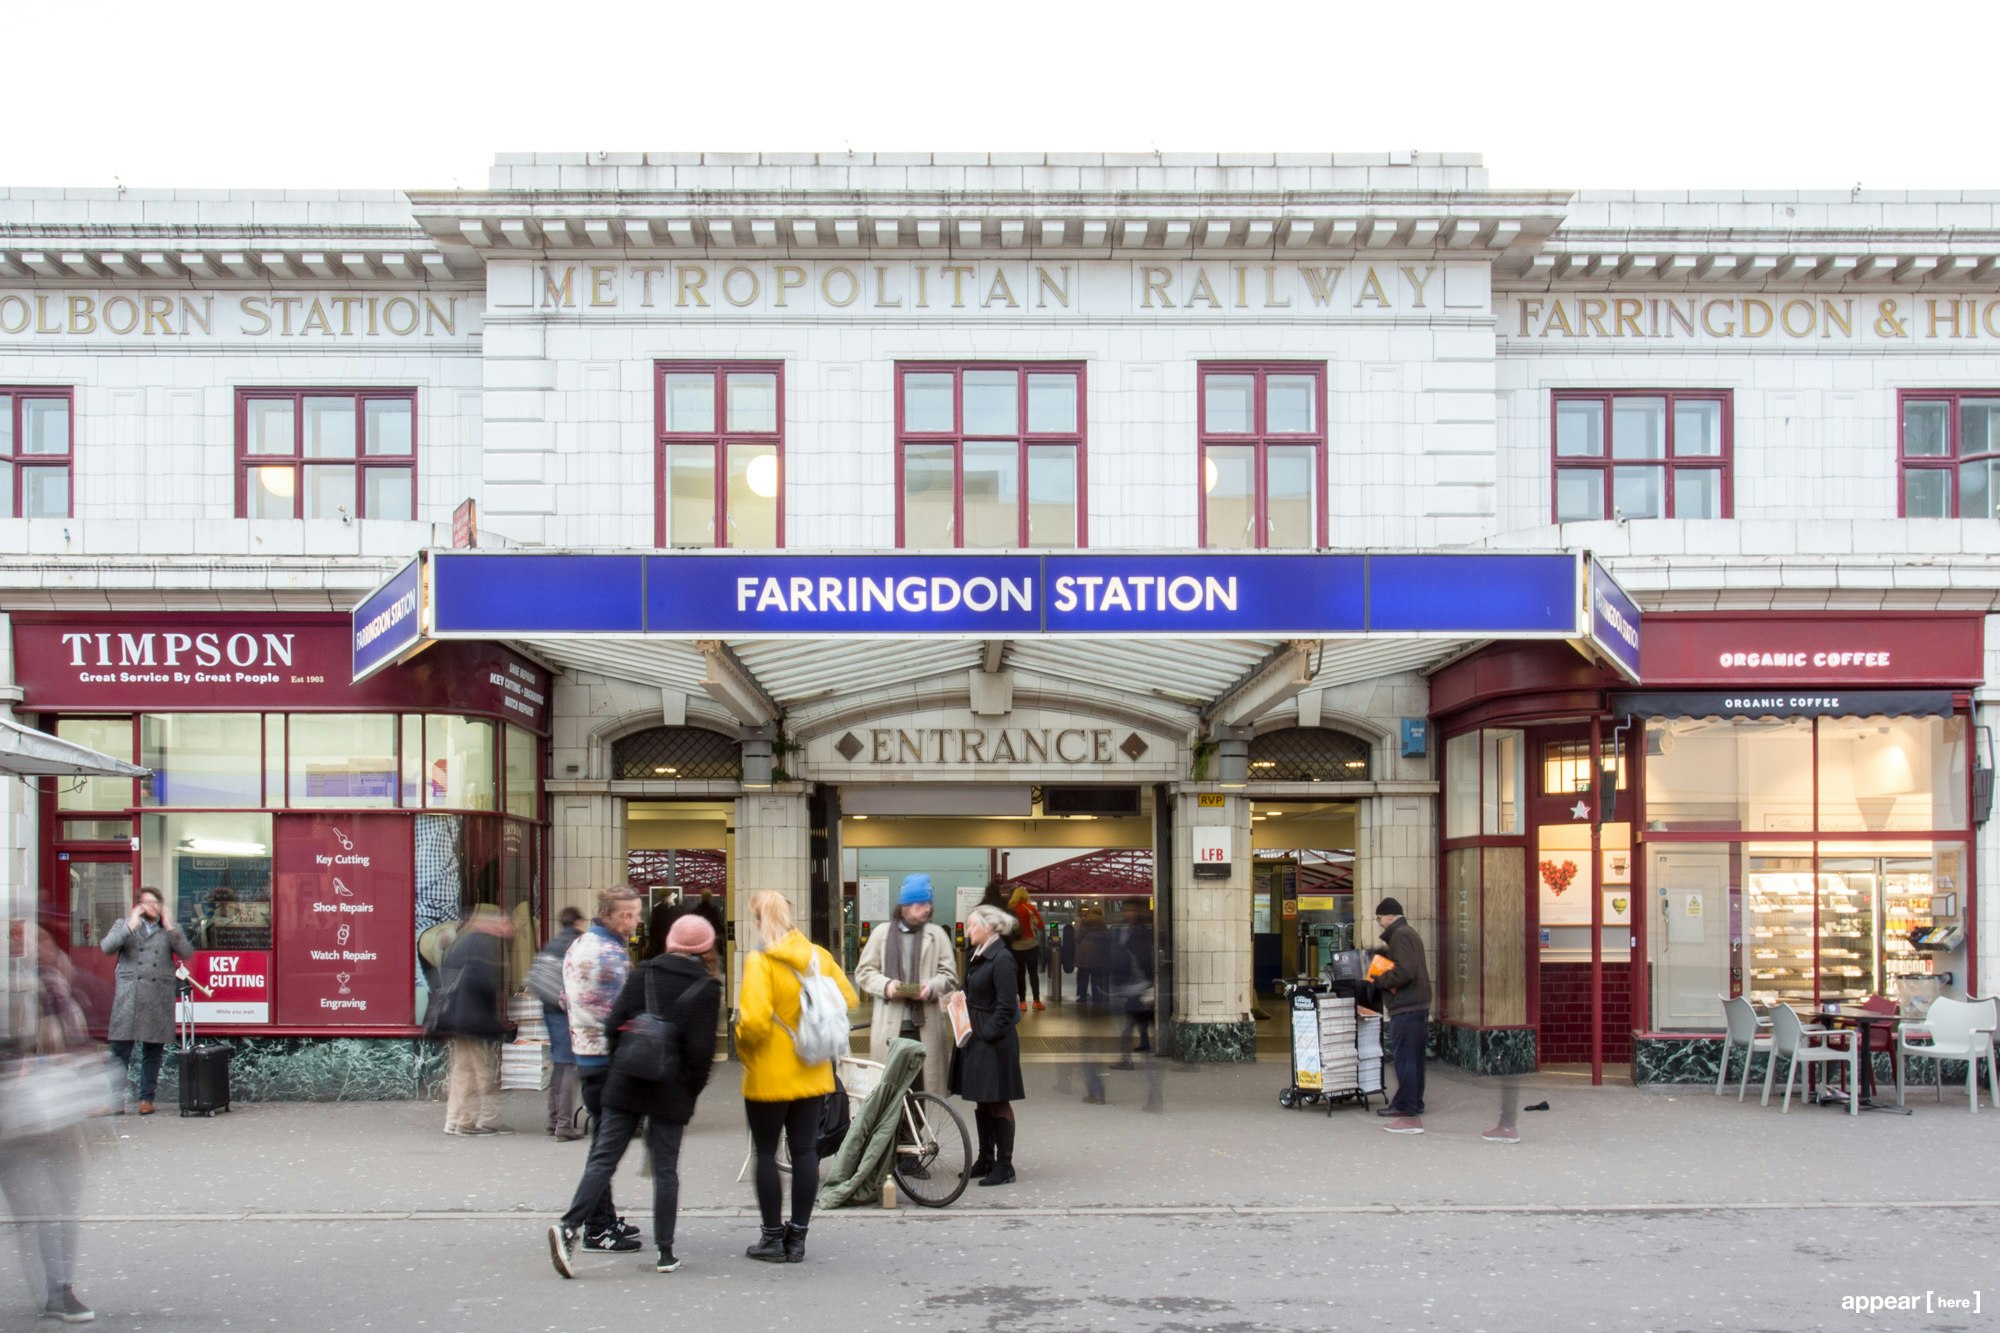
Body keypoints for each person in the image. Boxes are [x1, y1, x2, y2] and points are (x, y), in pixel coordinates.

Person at [549, 914, 722, 1278]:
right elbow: (701, 1053)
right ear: (707, 948)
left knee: (603, 1158)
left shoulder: (643, 972)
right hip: (672, 1089)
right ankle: (665, 1253)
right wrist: (689, 1092)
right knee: (665, 1170)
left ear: (671, 942)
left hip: (626, 1080)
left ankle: (568, 1228)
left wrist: (621, 1065)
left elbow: (613, 1025)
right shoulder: (706, 987)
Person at [734, 890, 857, 1264]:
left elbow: (754, 1022)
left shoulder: (761, 961)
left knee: (765, 1153)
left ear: (758, 922)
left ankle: (772, 1238)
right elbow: (848, 998)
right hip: (813, 1068)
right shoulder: (818, 956)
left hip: (769, 1074)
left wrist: (743, 1046)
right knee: (805, 1152)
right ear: (791, 919)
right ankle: (798, 1238)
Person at [0, 929, 94, 1323]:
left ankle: (61, 1287)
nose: (35, 948)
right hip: (17, 1119)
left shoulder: (59, 984)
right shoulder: (13, 991)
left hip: (61, 1111)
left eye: (39, 941)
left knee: (64, 1203)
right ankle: (56, 1290)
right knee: (37, 1209)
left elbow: (75, 1038)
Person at [562, 886, 643, 1253]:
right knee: (605, 1149)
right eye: (626, 915)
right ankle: (593, 1227)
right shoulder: (610, 954)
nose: (634, 921)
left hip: (586, 1054)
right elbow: (627, 1012)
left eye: (636, 913)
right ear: (606, 914)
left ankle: (605, 1219)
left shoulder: (580, 944)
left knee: (602, 1144)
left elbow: (565, 997)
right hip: (608, 1060)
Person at [853, 873, 958, 1095]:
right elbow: (864, 972)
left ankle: (916, 1119)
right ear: (905, 907)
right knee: (890, 1094)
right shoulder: (881, 933)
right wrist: (887, 986)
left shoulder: (937, 935)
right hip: (890, 1028)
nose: (927, 909)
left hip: (925, 1028)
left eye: (929, 903)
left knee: (921, 1092)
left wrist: (930, 987)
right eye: (921, 904)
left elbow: (950, 976)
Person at [98, 886, 193, 1115]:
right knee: (119, 1052)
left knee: (153, 1052)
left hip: (157, 996)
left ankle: (146, 1099)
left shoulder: (169, 930)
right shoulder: (124, 925)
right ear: (139, 905)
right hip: (129, 996)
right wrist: (130, 927)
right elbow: (106, 947)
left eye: (156, 903)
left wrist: (170, 927)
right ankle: (115, 1102)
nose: (153, 907)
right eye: (148, 902)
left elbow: (186, 952)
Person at [951, 903, 1026, 1186]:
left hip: (993, 1041)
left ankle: (1005, 1165)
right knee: (983, 1099)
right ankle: (986, 1158)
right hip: (978, 1036)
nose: (968, 930)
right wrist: (960, 997)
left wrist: (987, 1033)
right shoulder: (979, 954)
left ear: (989, 927)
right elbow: (974, 990)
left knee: (998, 1100)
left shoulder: (1002, 959)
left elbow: (1006, 1006)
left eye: (972, 925)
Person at [436, 903, 516, 1137]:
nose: (510, 929)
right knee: (482, 1072)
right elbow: (483, 983)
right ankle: (483, 1120)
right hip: (473, 1019)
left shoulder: (464, 941)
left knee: (462, 1070)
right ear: (496, 924)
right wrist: (495, 1013)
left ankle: (454, 1119)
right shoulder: (484, 944)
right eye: (507, 923)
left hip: (459, 1018)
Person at [1369, 897, 1433, 1134]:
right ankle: (1414, 1101)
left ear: (1390, 915)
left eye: (1379, 918)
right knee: (1414, 1057)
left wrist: (1380, 978)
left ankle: (1405, 1106)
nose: (1379, 923)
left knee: (1405, 1057)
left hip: (1406, 1005)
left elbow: (1405, 971)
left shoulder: (1400, 935)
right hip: (1416, 1004)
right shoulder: (1409, 933)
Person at [536, 906, 585, 1139]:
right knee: (568, 1064)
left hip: (548, 1007)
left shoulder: (551, 944)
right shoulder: (577, 944)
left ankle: (553, 1118)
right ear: (578, 922)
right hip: (566, 1008)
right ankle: (564, 1124)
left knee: (559, 1062)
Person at [1006, 886, 1045, 1013]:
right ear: (1025, 896)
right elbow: (1041, 925)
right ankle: (1036, 1001)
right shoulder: (1030, 908)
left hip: (1015, 947)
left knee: (1020, 975)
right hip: (1031, 945)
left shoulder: (1010, 909)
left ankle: (1022, 1002)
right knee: (1033, 974)